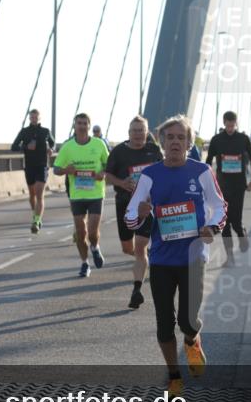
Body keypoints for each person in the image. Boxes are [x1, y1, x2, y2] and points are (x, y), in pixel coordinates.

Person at [124, 115, 227, 395]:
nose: (175, 142)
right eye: (170, 137)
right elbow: (130, 214)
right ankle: (174, 376)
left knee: (188, 321)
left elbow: (220, 207)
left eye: (181, 137)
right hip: (161, 259)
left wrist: (213, 227)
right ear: (161, 142)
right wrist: (141, 213)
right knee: (164, 326)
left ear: (189, 143)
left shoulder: (202, 171)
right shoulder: (150, 175)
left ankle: (193, 341)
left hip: (194, 257)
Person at [105, 115, 162, 308]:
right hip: (125, 204)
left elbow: (165, 171)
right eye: (135, 131)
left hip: (146, 207)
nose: (138, 134)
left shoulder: (153, 151)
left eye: (141, 130)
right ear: (129, 133)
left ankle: (136, 290)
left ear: (147, 133)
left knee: (140, 249)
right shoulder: (119, 152)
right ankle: (145, 260)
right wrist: (122, 183)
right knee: (127, 248)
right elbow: (107, 176)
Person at [53, 113, 110, 277]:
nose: (82, 126)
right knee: (80, 233)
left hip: (95, 193)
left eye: (85, 123)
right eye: (79, 123)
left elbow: (109, 164)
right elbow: (56, 168)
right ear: (74, 125)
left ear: (89, 126)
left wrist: (103, 173)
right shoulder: (68, 147)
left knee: (92, 232)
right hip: (77, 194)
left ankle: (95, 247)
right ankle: (85, 263)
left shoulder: (99, 144)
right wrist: (66, 170)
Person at [206, 111, 251, 267]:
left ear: (236, 123)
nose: (230, 128)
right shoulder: (216, 140)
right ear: (223, 123)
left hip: (239, 185)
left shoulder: (243, 139)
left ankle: (242, 234)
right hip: (222, 186)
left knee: (236, 221)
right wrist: (209, 183)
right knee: (224, 222)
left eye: (232, 126)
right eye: (227, 125)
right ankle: (230, 257)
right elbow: (207, 163)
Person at [11, 109, 55, 234]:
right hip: (29, 166)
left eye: (36, 117)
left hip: (42, 166)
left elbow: (53, 144)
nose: (34, 119)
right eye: (32, 117)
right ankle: (35, 215)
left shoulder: (45, 131)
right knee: (32, 196)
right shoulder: (24, 132)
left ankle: (37, 221)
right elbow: (13, 146)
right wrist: (25, 147)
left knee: (39, 193)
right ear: (29, 118)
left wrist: (51, 149)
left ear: (39, 118)